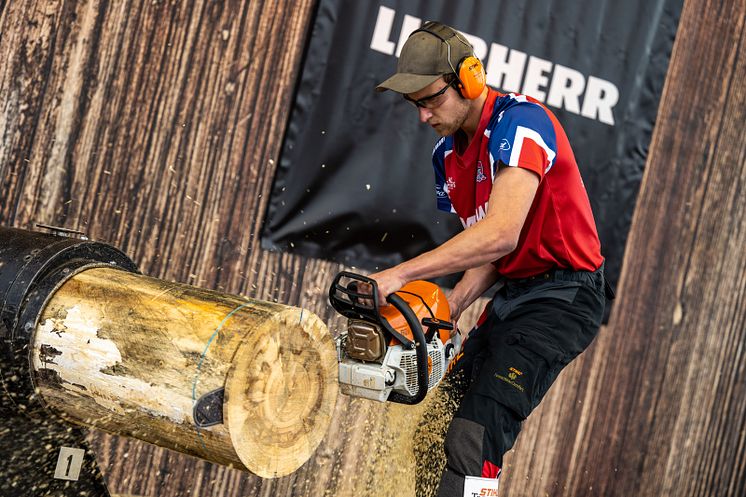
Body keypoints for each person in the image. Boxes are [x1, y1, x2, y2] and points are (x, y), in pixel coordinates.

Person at [372, 21, 611, 497]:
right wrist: (454, 307)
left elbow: (502, 233)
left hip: (564, 296)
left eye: (431, 98)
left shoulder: (522, 121)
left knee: (472, 435)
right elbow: (486, 249)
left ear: (470, 78)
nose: (423, 115)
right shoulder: (447, 156)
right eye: (414, 103)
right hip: (514, 295)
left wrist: (400, 273)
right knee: (434, 434)